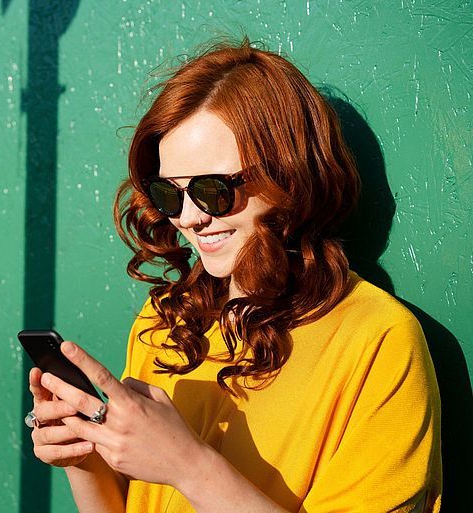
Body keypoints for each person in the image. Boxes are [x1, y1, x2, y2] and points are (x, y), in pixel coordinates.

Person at [25, 39, 442, 513]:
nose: (190, 218)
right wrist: (83, 455)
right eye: (169, 194)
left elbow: (182, 469)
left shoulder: (377, 340)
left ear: (289, 174)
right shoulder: (167, 322)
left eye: (212, 189)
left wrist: (188, 465)